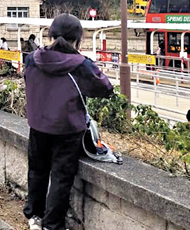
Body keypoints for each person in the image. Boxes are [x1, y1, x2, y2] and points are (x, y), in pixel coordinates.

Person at [23, 14, 113, 230]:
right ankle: (52, 225)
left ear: (51, 34)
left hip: (37, 125)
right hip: (68, 130)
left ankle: (34, 216)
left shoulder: (33, 58)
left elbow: (28, 79)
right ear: (78, 38)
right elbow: (106, 89)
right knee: (61, 177)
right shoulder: (81, 64)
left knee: (37, 170)